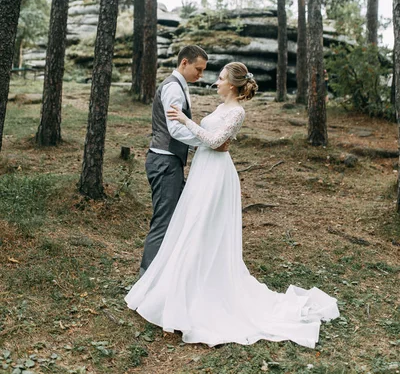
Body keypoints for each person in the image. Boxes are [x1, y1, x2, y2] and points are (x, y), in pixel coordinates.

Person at [126, 62, 340, 348]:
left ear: (233, 84)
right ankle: (176, 295)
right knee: (189, 229)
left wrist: (187, 121)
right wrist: (201, 135)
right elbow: (212, 140)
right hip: (203, 171)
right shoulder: (220, 108)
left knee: (201, 231)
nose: (216, 82)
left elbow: (215, 140)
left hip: (216, 177)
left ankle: (186, 305)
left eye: (221, 78)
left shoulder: (238, 111)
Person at [139, 44, 210, 277]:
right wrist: (207, 141)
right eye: (198, 69)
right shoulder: (173, 88)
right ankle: (146, 278)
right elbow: (175, 130)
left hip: (170, 162)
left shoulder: (180, 85)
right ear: (184, 63)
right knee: (164, 221)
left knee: (178, 217)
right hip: (165, 162)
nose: (200, 75)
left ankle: (168, 273)